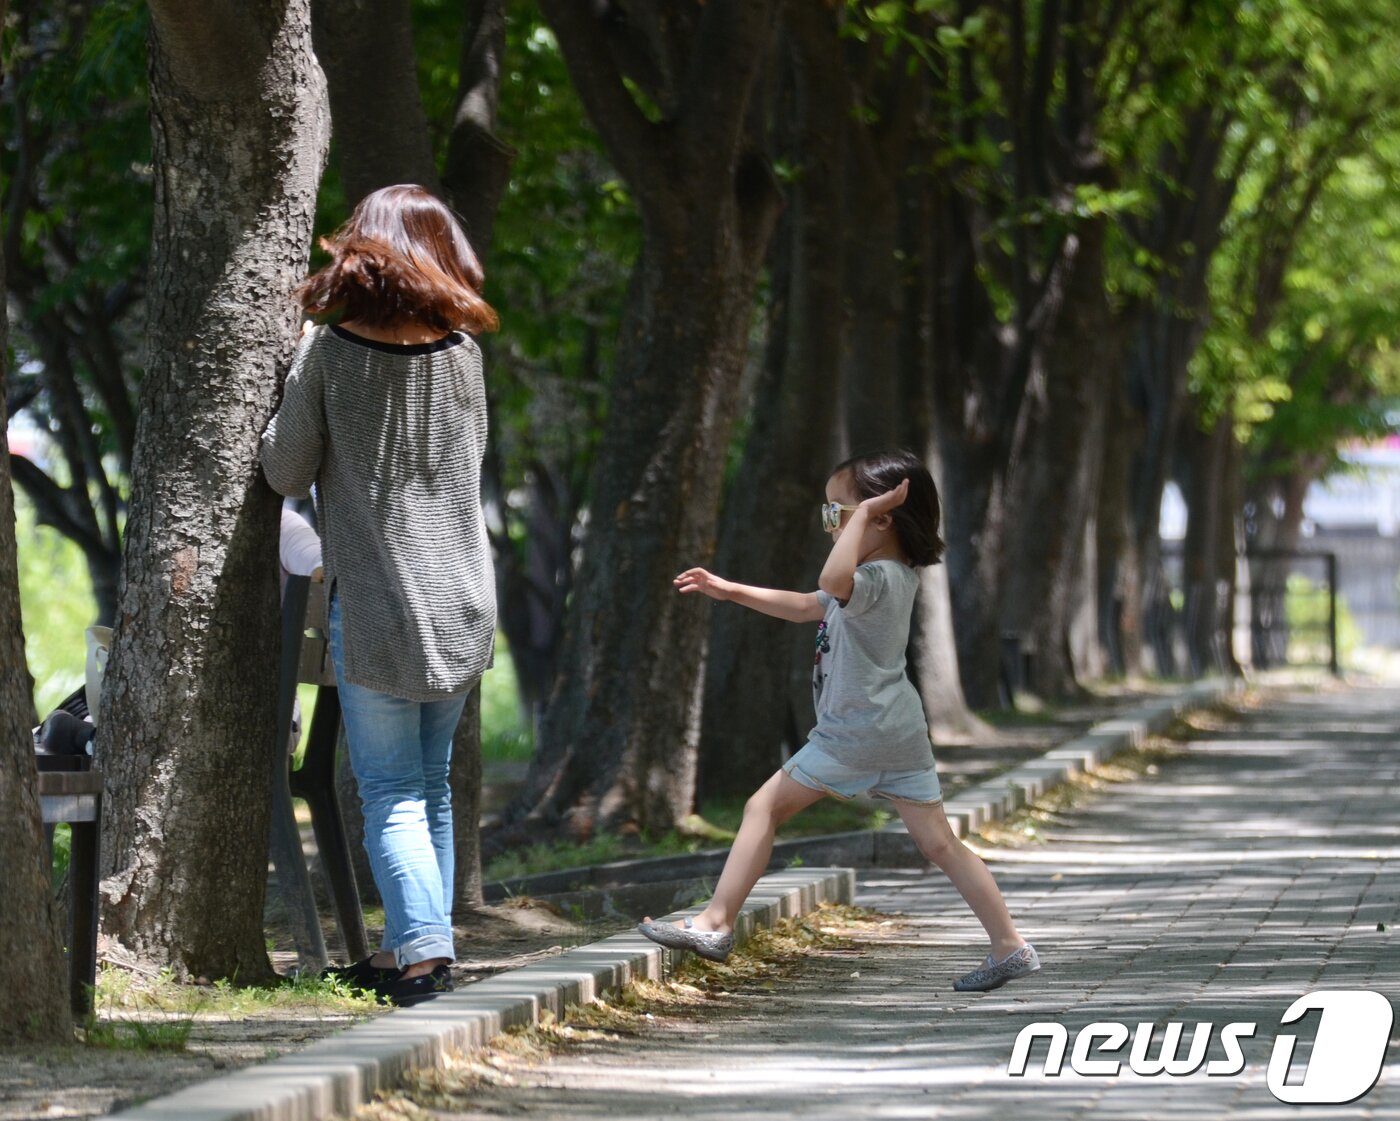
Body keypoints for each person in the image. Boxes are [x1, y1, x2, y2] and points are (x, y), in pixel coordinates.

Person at [638, 450, 1040, 992]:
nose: (829, 524)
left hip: (855, 731)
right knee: (940, 844)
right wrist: (728, 590)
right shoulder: (887, 578)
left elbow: (832, 576)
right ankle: (1010, 945)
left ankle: (715, 923)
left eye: (836, 513)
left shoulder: (876, 578)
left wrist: (866, 510)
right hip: (896, 731)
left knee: (763, 807)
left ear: (882, 519)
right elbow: (809, 603)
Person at [261, 184, 498, 1006]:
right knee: (426, 784)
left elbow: (285, 471)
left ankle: (425, 954)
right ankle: (408, 948)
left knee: (391, 790)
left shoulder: (330, 353)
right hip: (464, 599)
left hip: (382, 604)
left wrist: (290, 374)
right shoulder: (465, 356)